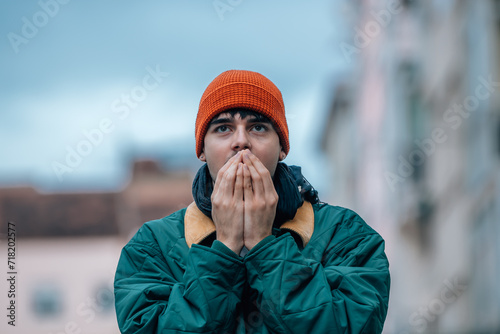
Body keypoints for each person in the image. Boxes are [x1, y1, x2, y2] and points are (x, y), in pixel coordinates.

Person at [114, 70, 390, 333]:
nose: (241, 142)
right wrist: (225, 248)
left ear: (282, 147)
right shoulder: (151, 247)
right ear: (201, 150)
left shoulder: (346, 235)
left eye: (258, 127)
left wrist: (263, 244)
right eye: (223, 128)